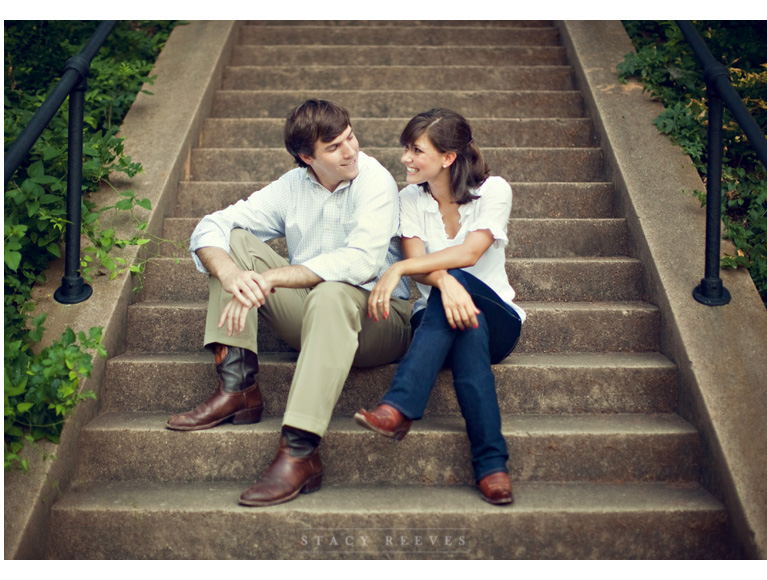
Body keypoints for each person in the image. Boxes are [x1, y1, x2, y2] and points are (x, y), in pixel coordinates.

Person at [166, 99, 413, 507]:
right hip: (313, 316)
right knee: (233, 242)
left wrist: (274, 276)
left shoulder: (376, 181)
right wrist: (232, 275)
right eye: (334, 147)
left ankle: (299, 452)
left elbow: (362, 262)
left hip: (379, 318)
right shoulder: (291, 186)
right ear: (306, 157)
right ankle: (238, 388)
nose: (350, 151)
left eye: (350, 137)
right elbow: (211, 226)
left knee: (333, 291)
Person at [355, 108, 526, 505]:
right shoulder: (409, 199)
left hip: (499, 320)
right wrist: (444, 281)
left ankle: (399, 408)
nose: (405, 159)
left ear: (448, 158)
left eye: (416, 150)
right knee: (464, 325)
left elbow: (468, 254)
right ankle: (492, 466)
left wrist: (400, 266)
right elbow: (424, 267)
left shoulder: (494, 191)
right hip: (441, 325)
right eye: (406, 148)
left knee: (462, 285)